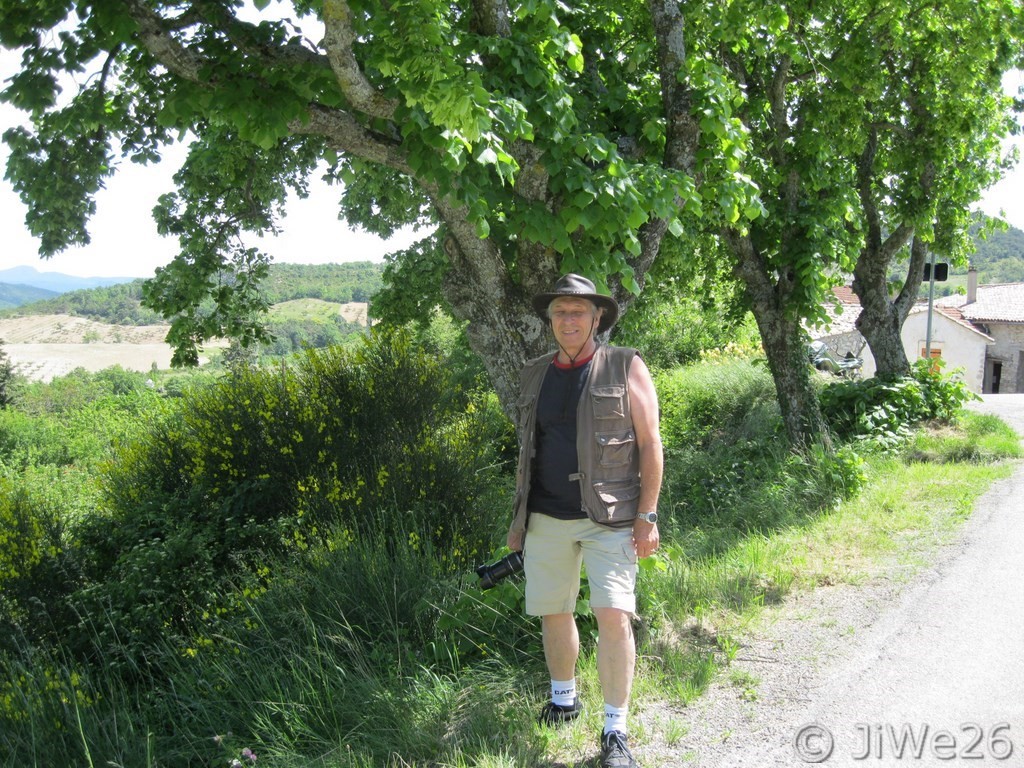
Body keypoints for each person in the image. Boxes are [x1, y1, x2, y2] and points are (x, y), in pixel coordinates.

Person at [507, 273, 663, 768]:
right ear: (550, 320)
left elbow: (650, 443)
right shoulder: (534, 373)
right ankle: (564, 699)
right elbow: (527, 453)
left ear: (597, 319)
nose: (568, 319)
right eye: (559, 311)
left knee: (613, 615)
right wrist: (518, 520)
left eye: (578, 311)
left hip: (611, 516)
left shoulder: (625, 364)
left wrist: (647, 515)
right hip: (545, 516)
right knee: (554, 611)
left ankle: (616, 731)